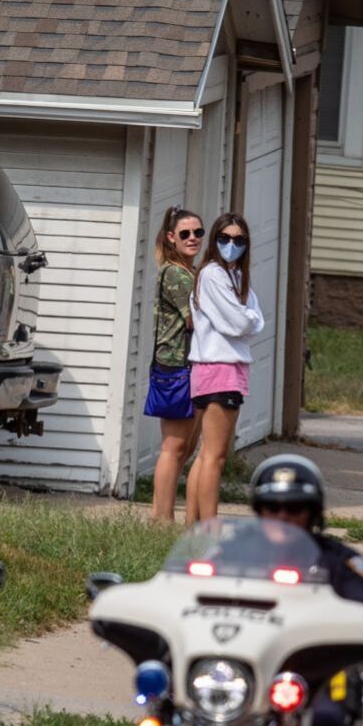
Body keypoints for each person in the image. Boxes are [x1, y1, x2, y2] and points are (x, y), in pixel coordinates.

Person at [246, 455, 363, 726]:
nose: (283, 517)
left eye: (295, 509)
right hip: (246, 671)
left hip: (317, 676)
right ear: (259, 510)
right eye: (273, 507)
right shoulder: (231, 555)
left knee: (326, 724)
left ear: (313, 513)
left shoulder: (340, 562)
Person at [185, 213, 265, 523]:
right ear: (215, 240)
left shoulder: (237, 278)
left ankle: (193, 526)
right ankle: (208, 527)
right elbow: (238, 323)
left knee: (206, 454)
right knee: (215, 457)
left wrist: (248, 319)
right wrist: (248, 319)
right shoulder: (213, 275)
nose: (231, 245)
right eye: (225, 238)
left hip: (225, 369)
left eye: (239, 240)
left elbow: (255, 318)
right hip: (219, 369)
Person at [146, 206, 205, 522]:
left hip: (185, 367)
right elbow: (196, 321)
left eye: (198, 232)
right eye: (185, 233)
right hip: (175, 368)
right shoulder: (176, 274)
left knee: (184, 447)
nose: (193, 238)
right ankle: (162, 520)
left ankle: (160, 514)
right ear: (171, 237)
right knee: (174, 446)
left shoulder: (189, 271)